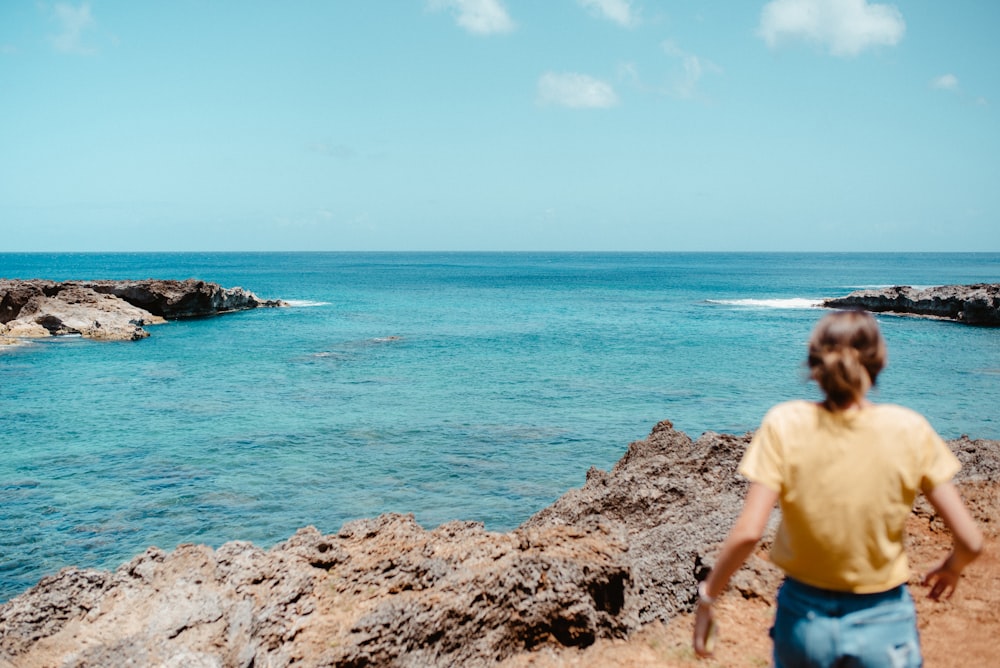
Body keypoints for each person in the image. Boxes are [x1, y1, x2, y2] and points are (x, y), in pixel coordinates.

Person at [693, 309, 983, 667]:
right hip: (883, 620)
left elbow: (749, 532)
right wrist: (952, 567)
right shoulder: (909, 429)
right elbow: (970, 541)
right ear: (880, 361)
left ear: (815, 363)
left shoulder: (785, 423)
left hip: (804, 619)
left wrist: (708, 598)